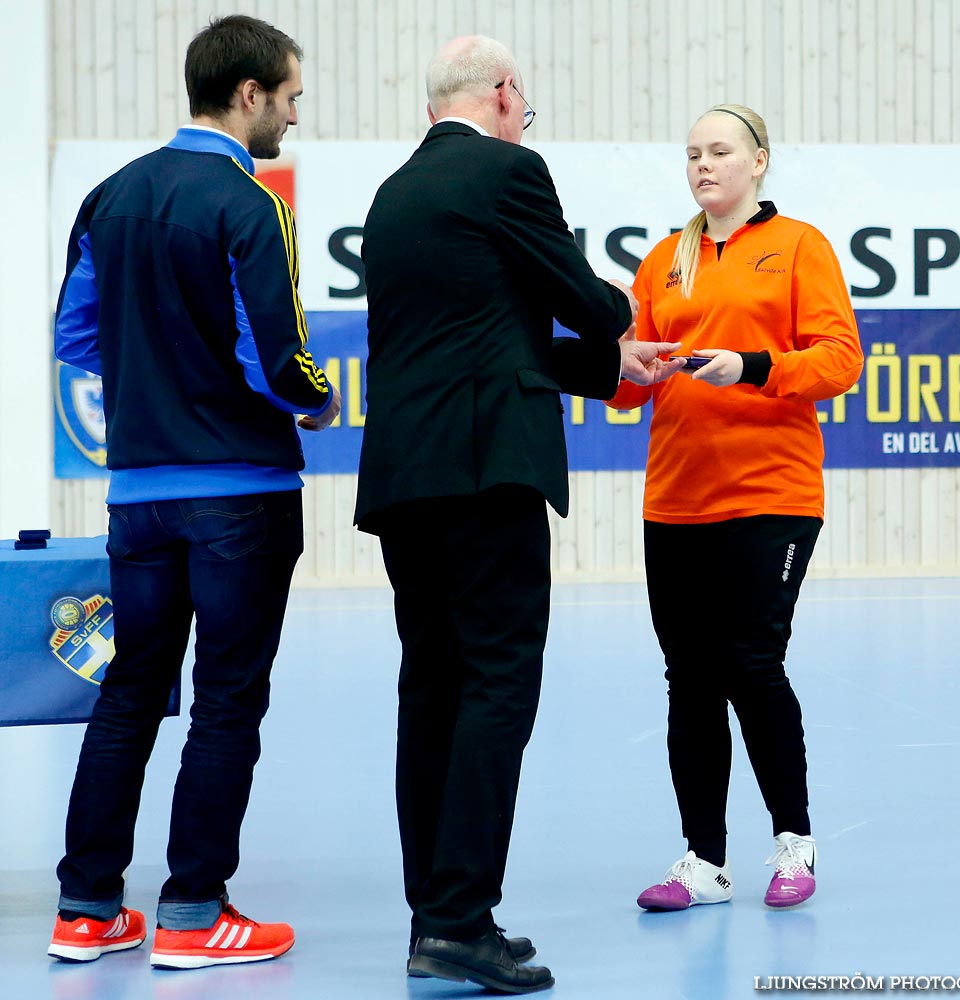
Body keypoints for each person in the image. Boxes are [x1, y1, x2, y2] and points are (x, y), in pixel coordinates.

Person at [355, 35, 683, 994]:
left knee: (433, 689)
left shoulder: (393, 194)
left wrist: (604, 368)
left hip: (405, 476)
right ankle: (461, 920)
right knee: (499, 684)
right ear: (504, 95)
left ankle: (436, 915)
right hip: (484, 470)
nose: (522, 119)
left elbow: (486, 327)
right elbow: (572, 295)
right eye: (523, 106)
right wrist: (620, 321)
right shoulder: (508, 169)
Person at [48, 14, 340, 970]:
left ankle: (86, 909)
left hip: (136, 495)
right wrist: (318, 402)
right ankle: (191, 915)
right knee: (224, 699)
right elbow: (275, 358)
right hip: (239, 497)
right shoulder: (249, 204)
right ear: (249, 94)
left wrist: (156, 389)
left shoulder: (110, 195)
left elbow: (77, 340)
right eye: (290, 98)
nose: (293, 117)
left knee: (130, 691)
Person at [607, 104, 863, 913]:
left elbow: (838, 359)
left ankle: (794, 843)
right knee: (688, 679)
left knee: (751, 664)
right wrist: (626, 365)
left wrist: (750, 366)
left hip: (770, 495)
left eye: (719, 152)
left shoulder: (799, 248)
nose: (703, 165)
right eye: (692, 154)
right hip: (675, 499)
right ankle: (703, 861)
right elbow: (627, 388)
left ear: (759, 162)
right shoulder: (662, 261)